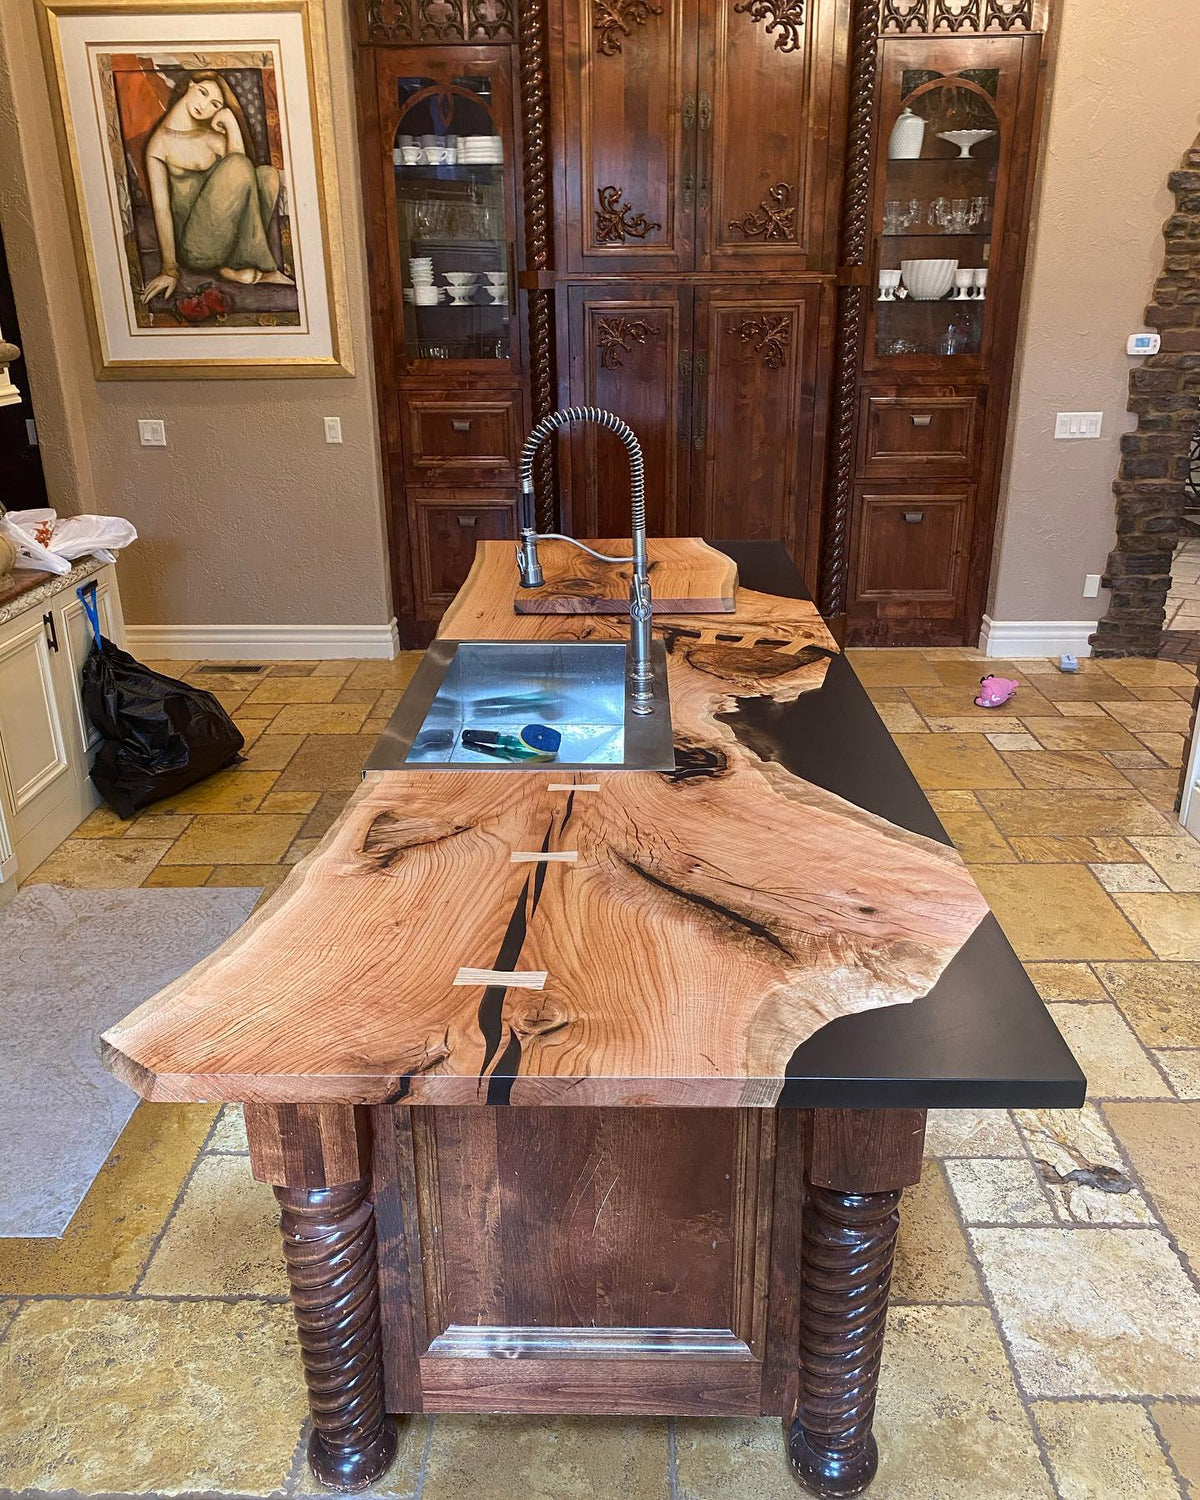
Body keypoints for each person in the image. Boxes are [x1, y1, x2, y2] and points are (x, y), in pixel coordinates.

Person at [140, 71, 293, 306]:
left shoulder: (211, 138)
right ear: (190, 85)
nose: (205, 105)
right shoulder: (159, 145)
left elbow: (246, 180)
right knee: (239, 166)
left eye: (215, 104)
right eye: (202, 92)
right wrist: (169, 270)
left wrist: (231, 123)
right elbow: (162, 209)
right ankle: (262, 268)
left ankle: (234, 268)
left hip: (224, 241)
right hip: (195, 249)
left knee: (267, 176)